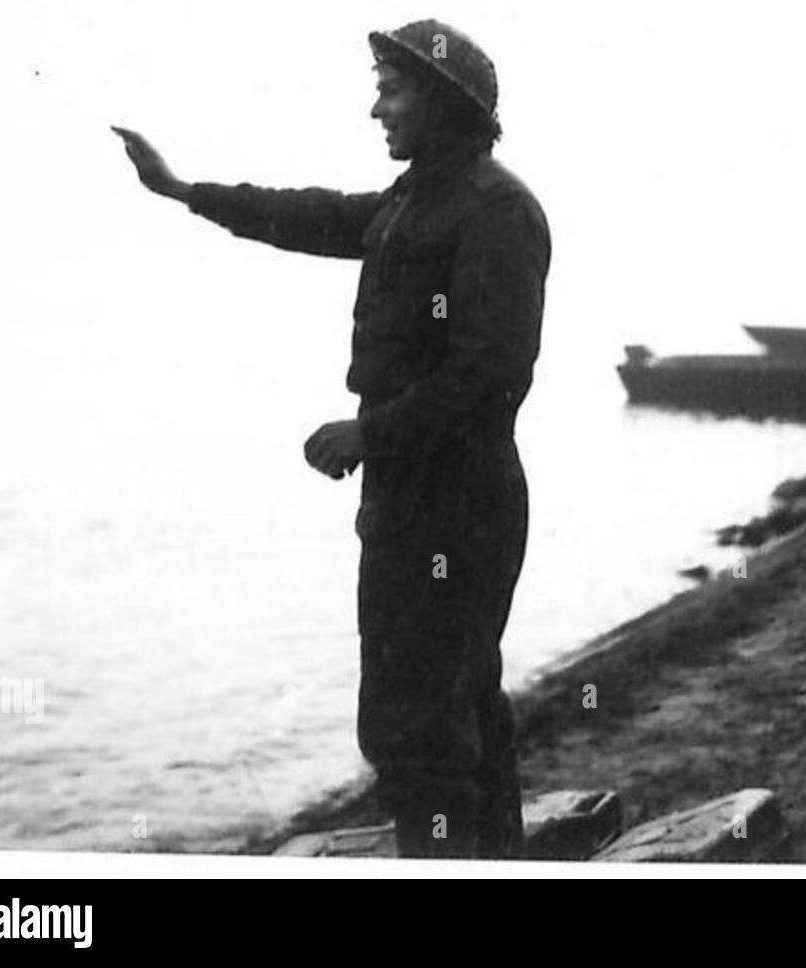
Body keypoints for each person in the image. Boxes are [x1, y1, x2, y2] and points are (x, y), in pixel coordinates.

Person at [113, 19, 551, 859]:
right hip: (415, 495)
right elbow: (302, 214)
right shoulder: (414, 200)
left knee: (415, 724)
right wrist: (183, 190)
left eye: (392, 89)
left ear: (446, 103)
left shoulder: (498, 211)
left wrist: (368, 433)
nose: (374, 108)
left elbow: (491, 378)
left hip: (458, 499)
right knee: (458, 703)